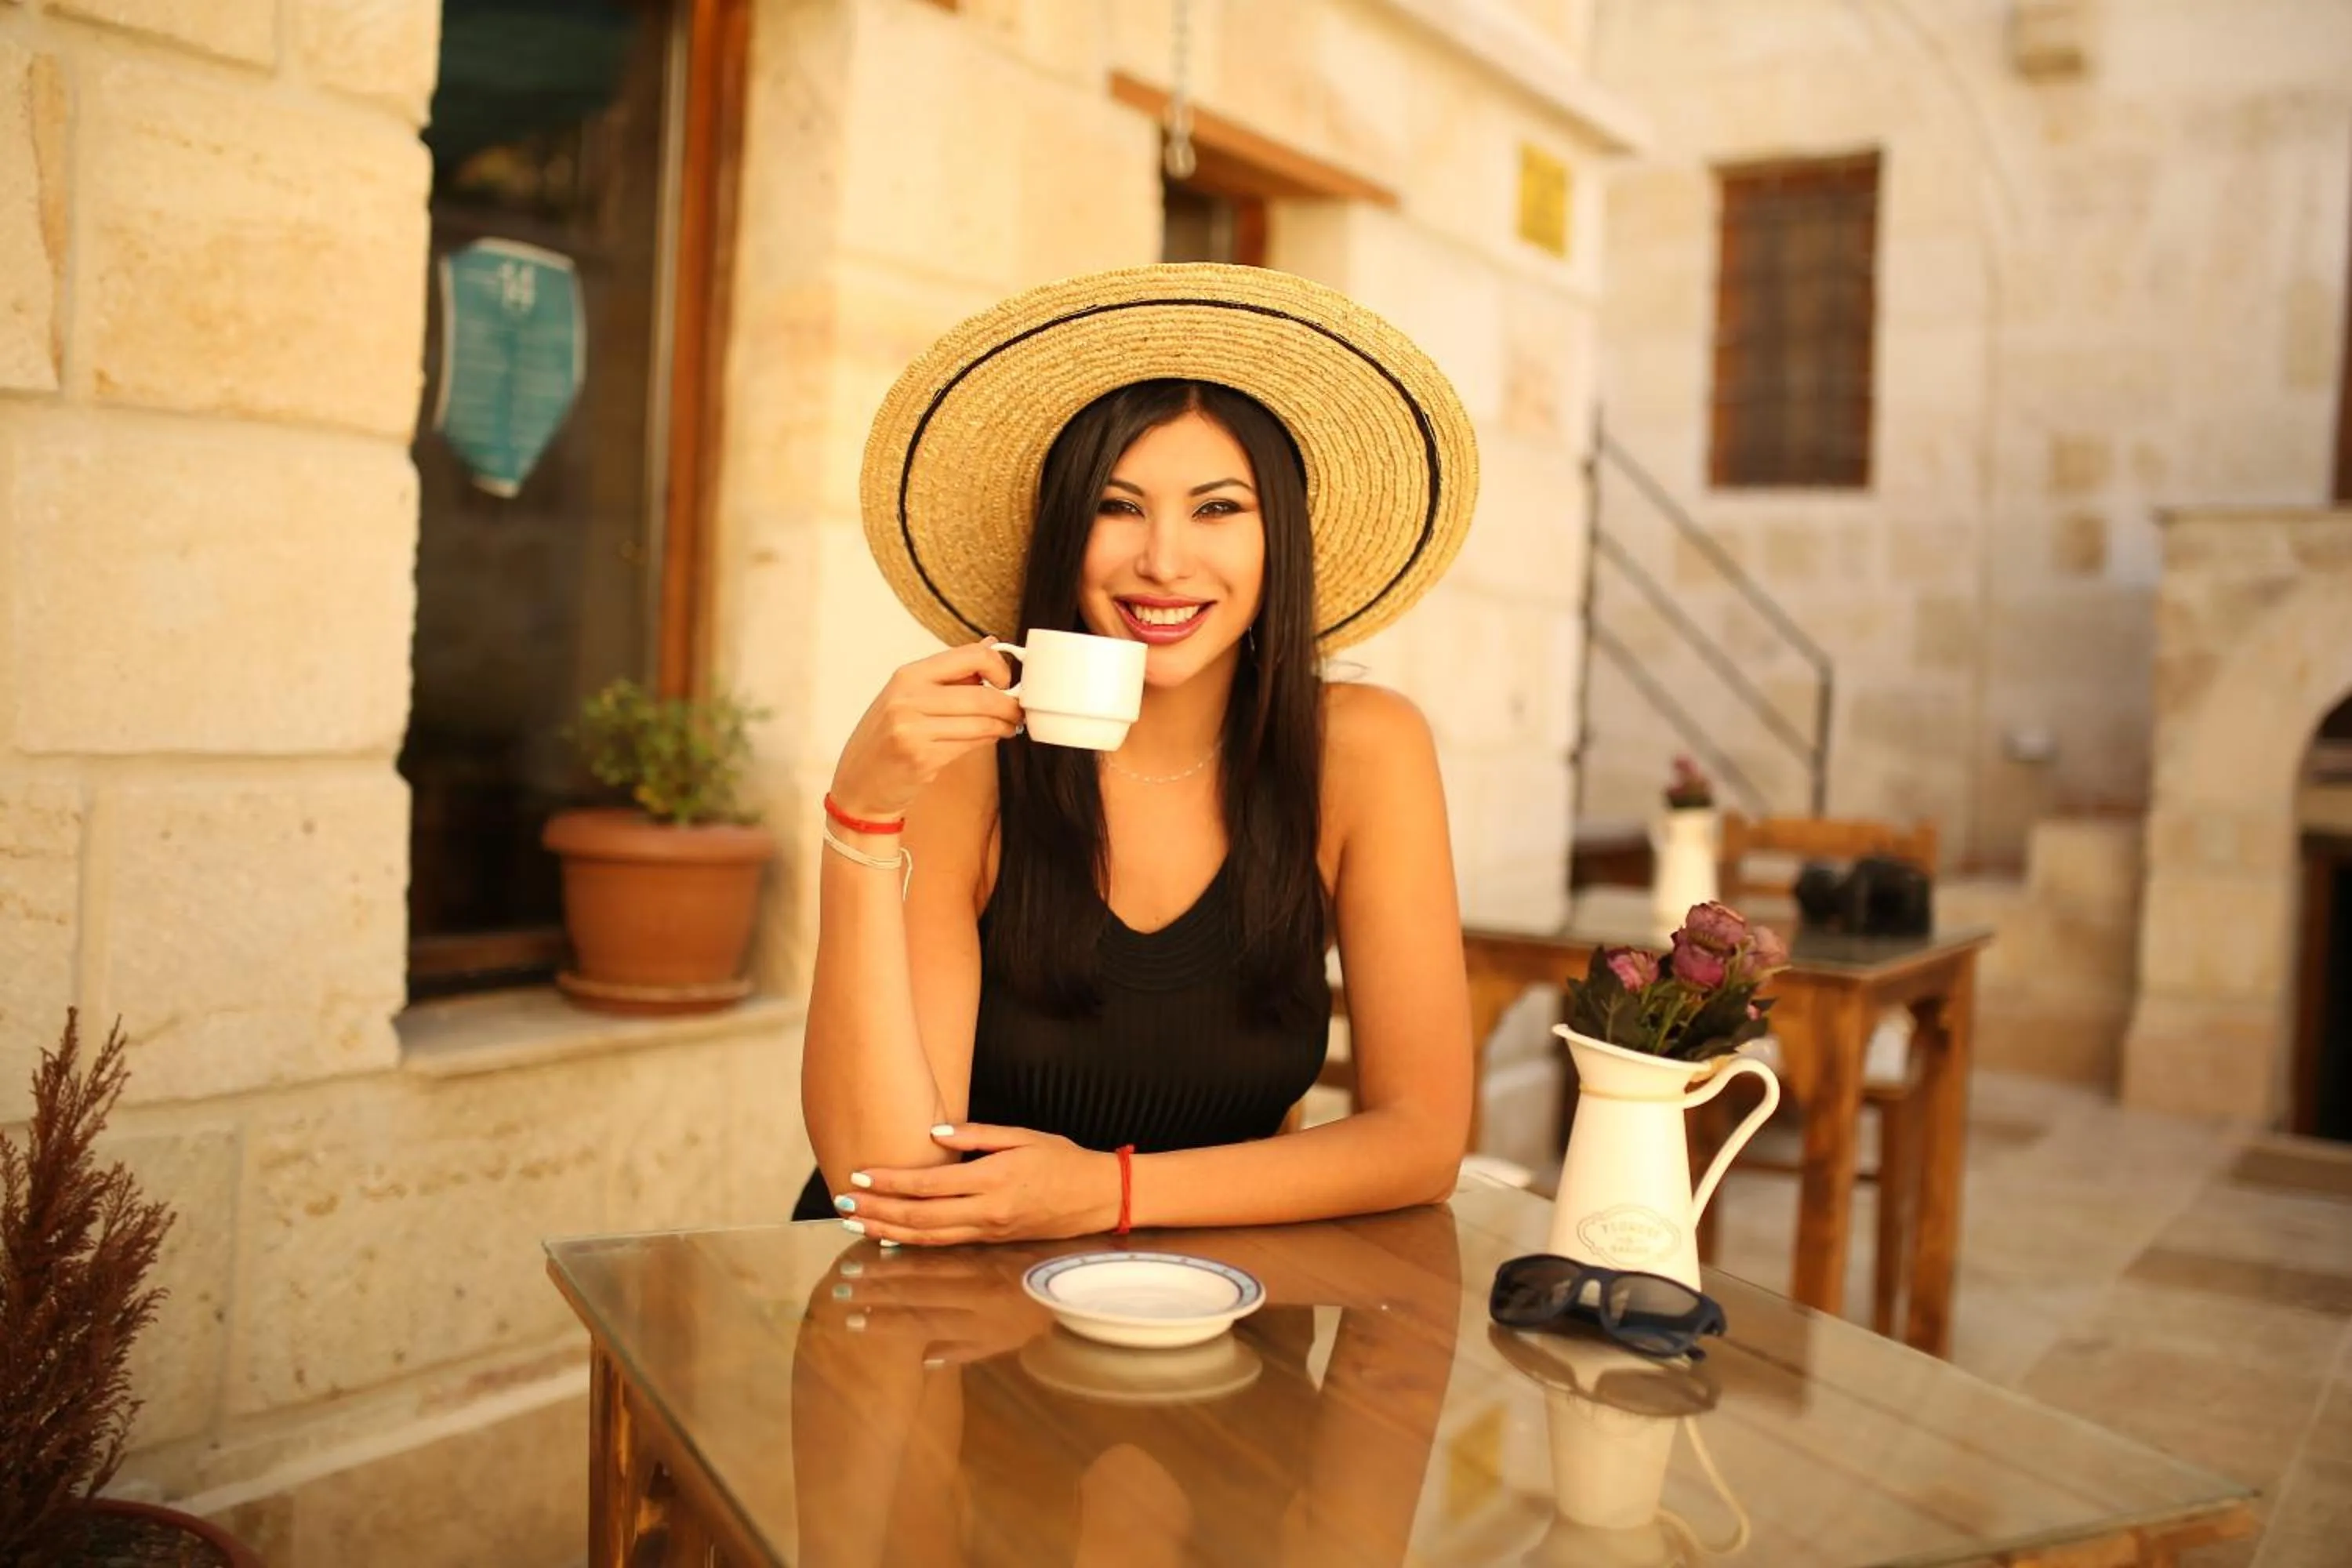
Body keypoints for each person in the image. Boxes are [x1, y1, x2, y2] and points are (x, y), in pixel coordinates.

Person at [793, 263, 1478, 1244]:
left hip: (1208, 1300)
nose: (1162, 560)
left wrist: (1111, 1193)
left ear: (1280, 537)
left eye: (1217, 508)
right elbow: (882, 1179)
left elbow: (1422, 1140)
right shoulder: (972, 750)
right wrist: (860, 820)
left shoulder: (1364, 750)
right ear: (1062, 533)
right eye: (1117, 507)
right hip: (941, 1295)